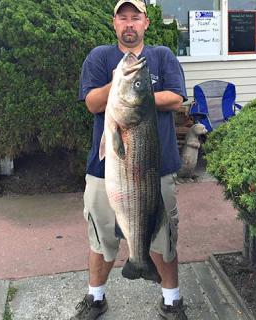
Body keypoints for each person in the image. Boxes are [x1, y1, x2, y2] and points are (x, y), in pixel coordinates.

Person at [72, 0, 188, 319]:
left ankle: (171, 300)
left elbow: (176, 97)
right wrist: (121, 82)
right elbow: (94, 103)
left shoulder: (162, 56)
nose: (129, 24)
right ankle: (96, 298)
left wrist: (133, 89)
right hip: (103, 171)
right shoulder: (100, 57)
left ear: (146, 23)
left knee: (163, 236)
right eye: (122, 18)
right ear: (114, 24)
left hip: (156, 170)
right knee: (101, 236)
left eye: (135, 17)